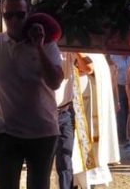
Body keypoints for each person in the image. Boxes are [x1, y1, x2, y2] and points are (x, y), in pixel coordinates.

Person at [0, 0, 64, 189]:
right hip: (6, 133)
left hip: (42, 132)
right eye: (8, 15)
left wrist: (38, 46)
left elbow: (55, 81)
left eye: (19, 15)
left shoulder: (47, 45)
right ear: (2, 15)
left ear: (28, 14)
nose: (14, 20)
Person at [72, 53, 120, 189]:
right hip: (75, 108)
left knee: (87, 157)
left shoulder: (95, 55)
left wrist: (76, 52)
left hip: (88, 113)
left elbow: (88, 68)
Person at [53, 52, 94, 189]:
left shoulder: (70, 52)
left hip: (65, 113)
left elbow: (89, 68)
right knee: (42, 161)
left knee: (65, 160)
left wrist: (76, 49)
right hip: (44, 113)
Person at [111, 54, 130, 147]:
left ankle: (129, 135)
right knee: (121, 113)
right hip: (119, 87)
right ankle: (122, 138)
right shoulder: (113, 57)